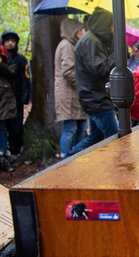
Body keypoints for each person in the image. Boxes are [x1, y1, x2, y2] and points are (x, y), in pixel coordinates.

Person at [68, 8, 118, 157]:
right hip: (96, 98)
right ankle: (68, 162)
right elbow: (99, 69)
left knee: (95, 138)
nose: (112, 29)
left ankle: (69, 161)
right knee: (115, 138)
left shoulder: (93, 40)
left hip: (94, 97)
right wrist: (117, 53)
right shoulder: (91, 41)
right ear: (104, 24)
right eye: (111, 25)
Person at [54, 18, 87, 159]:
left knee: (81, 127)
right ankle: (65, 156)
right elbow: (67, 71)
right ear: (73, 31)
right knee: (71, 128)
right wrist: (83, 83)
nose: (82, 33)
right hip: (68, 94)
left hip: (74, 93)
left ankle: (75, 156)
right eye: (80, 30)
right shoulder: (66, 45)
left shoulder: (72, 45)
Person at [2, 30, 30, 159]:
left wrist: (25, 96)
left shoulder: (21, 59)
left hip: (16, 97)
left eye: (12, 41)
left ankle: (16, 149)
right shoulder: (3, 59)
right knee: (4, 124)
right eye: (7, 41)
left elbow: (25, 78)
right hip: (3, 98)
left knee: (16, 124)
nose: (10, 43)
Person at [0, 46, 16, 171]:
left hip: (4, 105)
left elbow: (12, 74)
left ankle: (3, 153)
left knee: (2, 127)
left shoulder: (8, 64)